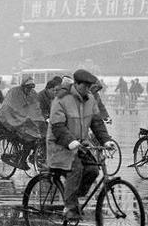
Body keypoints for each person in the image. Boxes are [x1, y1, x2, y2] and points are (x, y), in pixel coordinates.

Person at [46, 69, 114, 221]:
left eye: (90, 86)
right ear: (76, 84)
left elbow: (97, 123)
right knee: (75, 169)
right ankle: (70, 207)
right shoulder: (61, 99)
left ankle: (71, 198)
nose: (88, 89)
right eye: (85, 86)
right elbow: (57, 127)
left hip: (79, 145)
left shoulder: (90, 99)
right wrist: (70, 141)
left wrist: (106, 140)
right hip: (60, 146)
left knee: (93, 170)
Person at [0, 76, 47, 170]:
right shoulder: (14, 92)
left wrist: (41, 117)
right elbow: (14, 108)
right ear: (23, 86)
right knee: (25, 138)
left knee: (36, 135)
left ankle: (26, 156)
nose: (29, 90)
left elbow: (35, 107)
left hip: (20, 119)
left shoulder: (32, 93)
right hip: (6, 119)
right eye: (27, 87)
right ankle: (20, 159)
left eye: (31, 88)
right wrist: (26, 116)